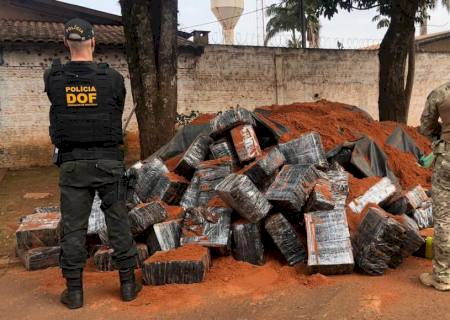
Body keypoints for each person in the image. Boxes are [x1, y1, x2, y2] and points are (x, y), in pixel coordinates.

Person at [44, 18, 141, 309]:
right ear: (94, 42)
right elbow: (116, 108)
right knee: (118, 222)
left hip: (72, 164)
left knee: (74, 228)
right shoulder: (112, 79)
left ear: (65, 43)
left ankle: (74, 292)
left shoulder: (53, 77)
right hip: (108, 162)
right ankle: (127, 285)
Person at [419, 83, 450, 291]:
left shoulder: (441, 92)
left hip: (447, 158)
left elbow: (426, 127)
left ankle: (443, 277)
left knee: (444, 218)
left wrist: (442, 134)